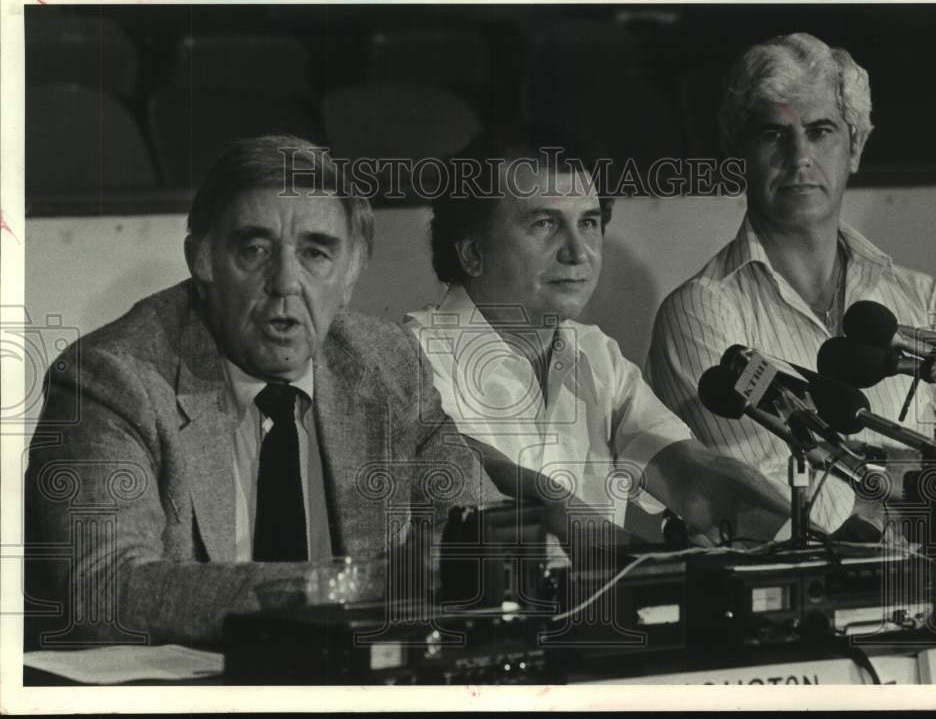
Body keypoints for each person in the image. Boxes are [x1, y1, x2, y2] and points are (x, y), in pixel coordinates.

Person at [23, 135, 499, 647]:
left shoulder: (385, 363)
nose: (284, 282)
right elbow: (107, 590)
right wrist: (339, 587)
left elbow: (481, 534)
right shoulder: (111, 378)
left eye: (316, 252)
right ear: (201, 259)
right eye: (254, 249)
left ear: (351, 272)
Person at [404, 125, 791, 554]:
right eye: (545, 224)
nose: (578, 251)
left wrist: (805, 540)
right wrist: (653, 565)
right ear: (472, 252)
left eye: (588, 222)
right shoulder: (409, 357)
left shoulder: (596, 354)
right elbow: (527, 501)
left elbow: (689, 473)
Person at [646, 33, 936, 538]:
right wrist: (933, 498)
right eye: (774, 134)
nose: (800, 156)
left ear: (855, 147)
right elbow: (780, 508)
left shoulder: (925, 300)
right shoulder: (700, 312)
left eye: (820, 132)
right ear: (738, 154)